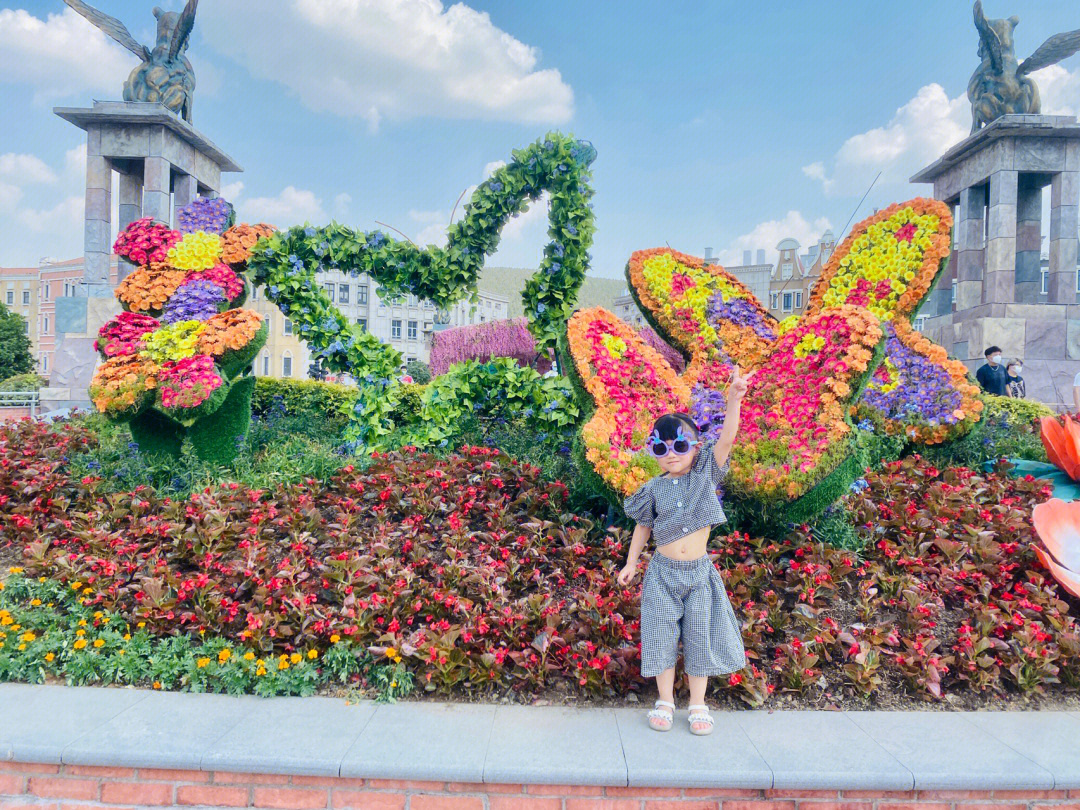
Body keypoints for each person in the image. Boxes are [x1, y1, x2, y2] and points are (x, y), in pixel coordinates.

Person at [619, 366, 751, 736]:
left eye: (679, 445)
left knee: (699, 634)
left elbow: (726, 439)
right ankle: (664, 700)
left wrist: (733, 400)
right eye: (660, 448)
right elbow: (642, 526)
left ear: (694, 447)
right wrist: (631, 562)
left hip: (698, 574)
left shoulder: (705, 474)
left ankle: (697, 703)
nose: (670, 454)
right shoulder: (652, 488)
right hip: (661, 573)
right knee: (661, 634)